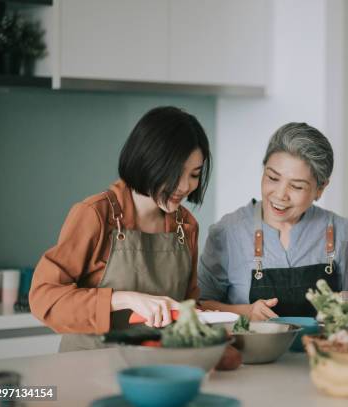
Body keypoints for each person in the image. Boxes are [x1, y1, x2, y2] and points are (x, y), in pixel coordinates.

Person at [29, 106, 211, 351]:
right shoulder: (95, 214)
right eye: (175, 172)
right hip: (89, 370)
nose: (185, 186)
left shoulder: (186, 225)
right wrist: (122, 299)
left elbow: (188, 307)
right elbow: (44, 297)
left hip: (155, 370)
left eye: (194, 174)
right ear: (148, 160)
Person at [198, 122, 348, 320]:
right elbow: (201, 304)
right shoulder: (228, 231)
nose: (280, 195)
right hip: (252, 350)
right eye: (272, 178)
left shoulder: (339, 228)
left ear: (321, 188)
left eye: (296, 187)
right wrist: (246, 312)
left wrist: (345, 302)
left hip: (323, 349)